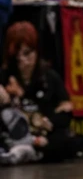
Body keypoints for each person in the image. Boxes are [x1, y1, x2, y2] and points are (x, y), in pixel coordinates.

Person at [0, 22, 76, 163]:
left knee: (67, 142)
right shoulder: (5, 75)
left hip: (42, 132)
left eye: (27, 53)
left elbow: (66, 109)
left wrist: (50, 122)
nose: (23, 60)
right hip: (13, 132)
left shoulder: (49, 76)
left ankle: (28, 151)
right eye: (17, 56)